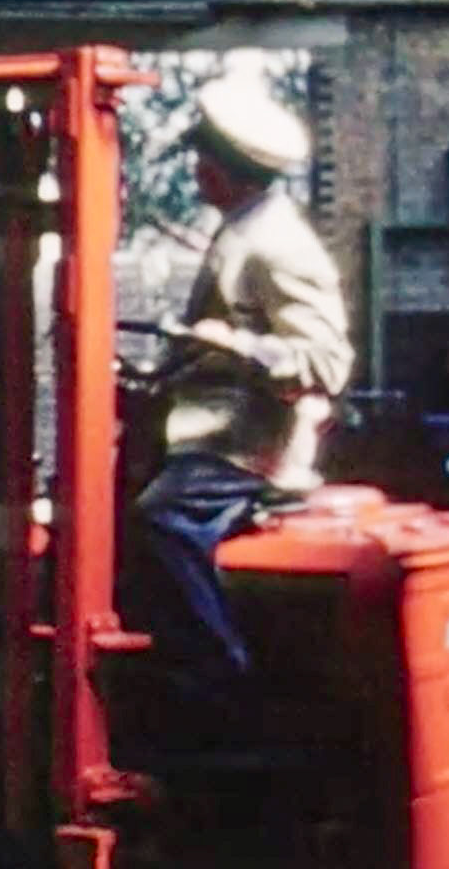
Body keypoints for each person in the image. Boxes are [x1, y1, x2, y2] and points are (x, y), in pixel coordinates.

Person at [117, 76, 354, 744]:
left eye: (203, 162)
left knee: (160, 518)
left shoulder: (280, 244)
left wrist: (236, 344)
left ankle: (218, 679)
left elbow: (327, 361)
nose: (196, 173)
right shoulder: (240, 228)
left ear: (226, 170)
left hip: (250, 445)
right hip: (212, 427)